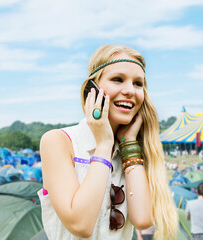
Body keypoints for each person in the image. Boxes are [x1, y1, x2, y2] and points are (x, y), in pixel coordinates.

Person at [38, 44, 178, 240]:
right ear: (91, 89)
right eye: (118, 79)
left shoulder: (132, 150)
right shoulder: (59, 141)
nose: (130, 90)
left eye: (138, 83)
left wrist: (129, 143)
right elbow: (80, 225)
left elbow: (143, 219)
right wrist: (103, 145)